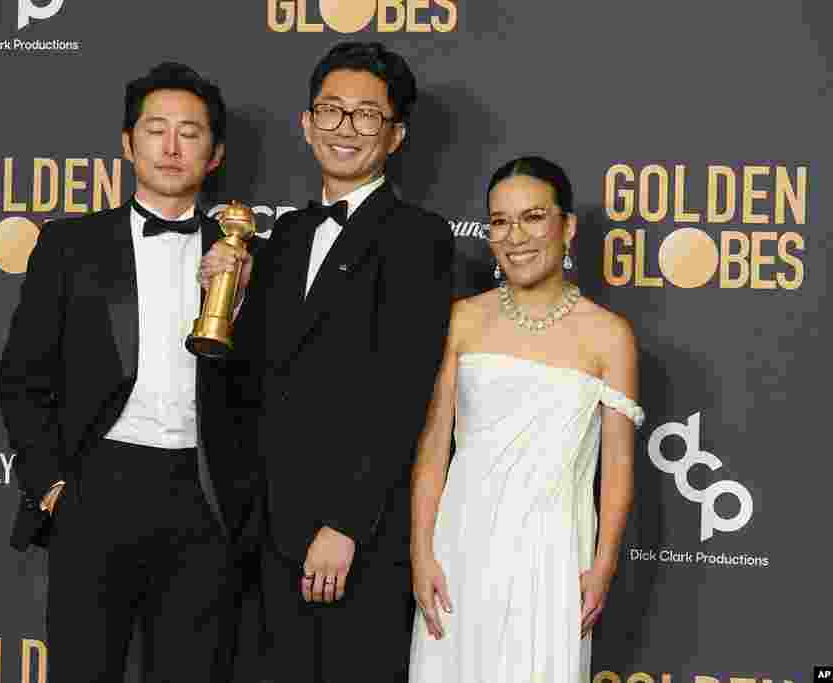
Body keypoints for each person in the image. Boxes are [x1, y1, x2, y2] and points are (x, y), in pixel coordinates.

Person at [201, 42, 453, 682]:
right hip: (266, 534)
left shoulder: (418, 238)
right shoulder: (280, 238)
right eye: (331, 111)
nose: (346, 129)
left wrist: (346, 525)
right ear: (305, 122)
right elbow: (250, 381)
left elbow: (403, 392)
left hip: (351, 541)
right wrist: (217, 301)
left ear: (395, 136)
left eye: (367, 116)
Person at [0, 62, 257, 683]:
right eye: (156, 129)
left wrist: (242, 300)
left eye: (190, 133)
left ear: (215, 152)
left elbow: (266, 390)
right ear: (127, 143)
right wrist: (52, 486)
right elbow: (24, 375)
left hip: (203, 492)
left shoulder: (249, 258)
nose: (172, 147)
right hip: (97, 483)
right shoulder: (68, 248)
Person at [408, 157, 643, 682]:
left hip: (554, 555)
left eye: (533, 217)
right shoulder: (463, 319)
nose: (516, 236)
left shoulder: (609, 335)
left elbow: (619, 468)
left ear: (568, 227)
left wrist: (602, 565)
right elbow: (432, 449)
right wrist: (421, 553)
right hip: (460, 550)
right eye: (499, 221)